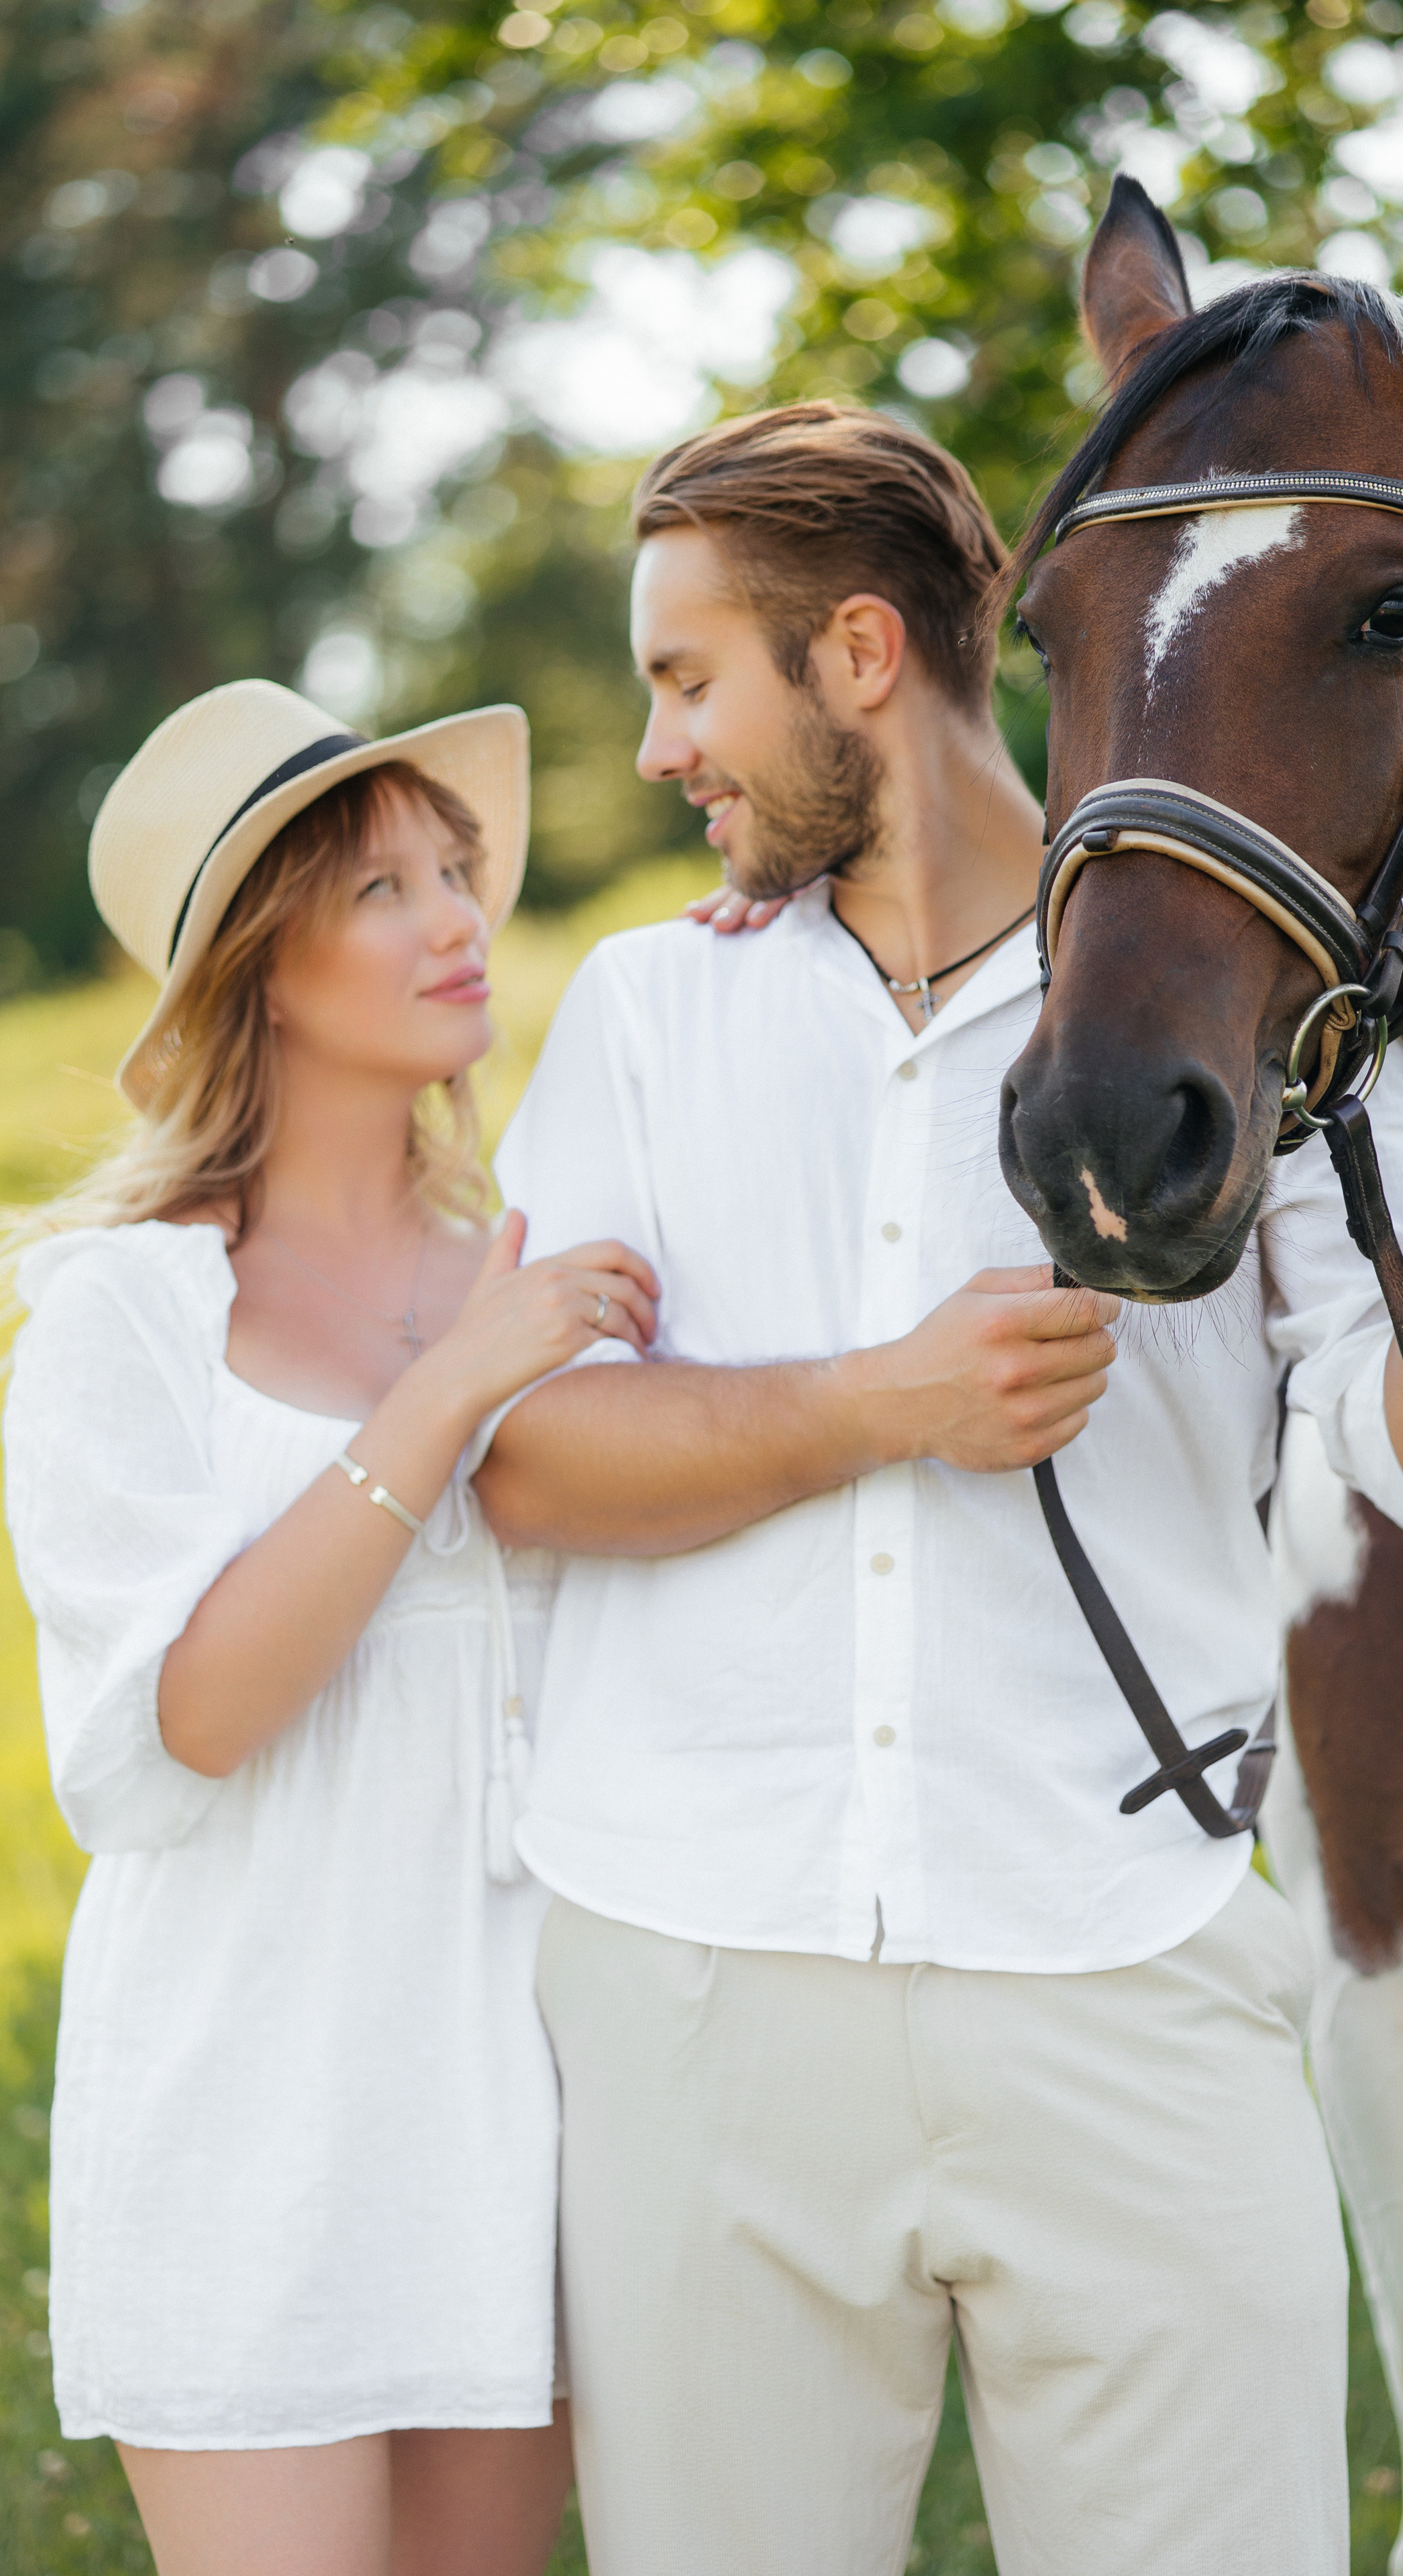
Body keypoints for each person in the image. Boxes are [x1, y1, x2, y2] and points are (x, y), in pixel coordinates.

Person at [475, 402, 1403, 2575]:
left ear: (859, 656)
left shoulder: (1255, 1018)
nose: (661, 750)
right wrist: (884, 1402)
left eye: (688, 681)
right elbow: (528, 1458)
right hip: (698, 1982)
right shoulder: (644, 1013)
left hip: (1127, 1973)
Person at [3, 679, 658, 2576]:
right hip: (246, 2120)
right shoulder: (121, 1313)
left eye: (455, 872)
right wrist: (446, 1396)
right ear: (261, 975)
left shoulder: (542, 1273)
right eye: (383, 891)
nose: (458, 919)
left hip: (514, 2111)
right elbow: (193, 1716)